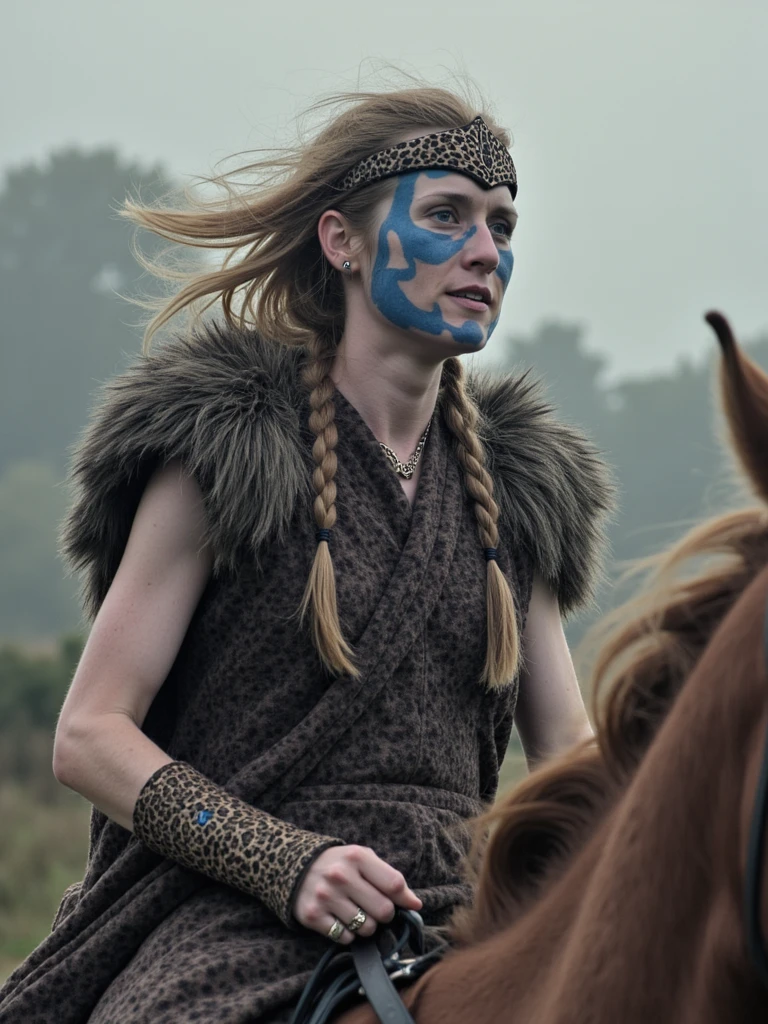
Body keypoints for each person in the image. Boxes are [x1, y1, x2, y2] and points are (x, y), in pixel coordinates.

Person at [0, 84, 614, 1023]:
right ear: (345, 243)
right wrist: (284, 864)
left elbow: (568, 753)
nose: (487, 251)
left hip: (454, 916)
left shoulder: (520, 489)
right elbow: (88, 736)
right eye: (447, 217)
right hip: (225, 912)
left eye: (501, 224)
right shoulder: (225, 444)